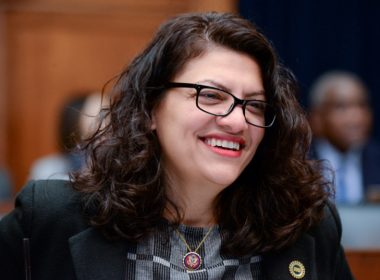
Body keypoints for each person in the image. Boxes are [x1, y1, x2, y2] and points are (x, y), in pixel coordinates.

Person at [0, 12, 353, 279]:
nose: (237, 120)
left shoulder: (309, 229)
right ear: (152, 108)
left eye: (255, 105)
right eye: (211, 96)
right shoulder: (49, 219)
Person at [308, 70, 380, 204]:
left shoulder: (377, 159)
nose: (356, 118)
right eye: (341, 107)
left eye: (362, 105)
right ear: (317, 118)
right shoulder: (297, 162)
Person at [28, 92, 104, 181]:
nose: (111, 121)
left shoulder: (118, 168)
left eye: (112, 113)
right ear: (75, 120)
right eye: (102, 115)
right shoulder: (47, 170)